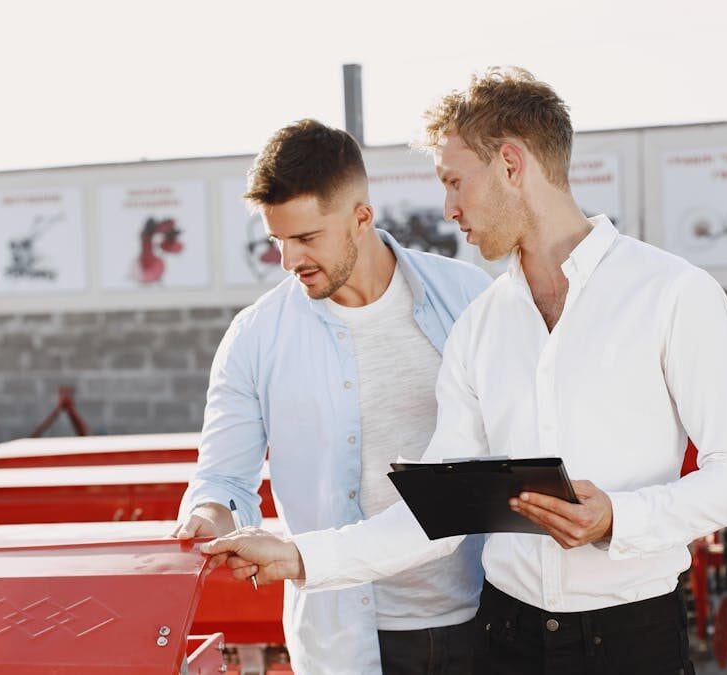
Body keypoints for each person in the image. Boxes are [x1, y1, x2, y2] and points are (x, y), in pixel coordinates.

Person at [202, 68, 727, 675]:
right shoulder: (480, 324)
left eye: (454, 182)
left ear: (510, 163)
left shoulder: (673, 293)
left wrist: (619, 518)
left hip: (634, 638)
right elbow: (443, 511)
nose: (447, 209)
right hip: (505, 639)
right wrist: (298, 556)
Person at [171, 118, 492, 675]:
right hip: (342, 639)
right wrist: (210, 515)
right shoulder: (256, 338)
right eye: (278, 240)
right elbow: (223, 481)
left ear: (361, 218)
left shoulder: (468, 300)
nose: (289, 260)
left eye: (306, 238)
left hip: (478, 621)